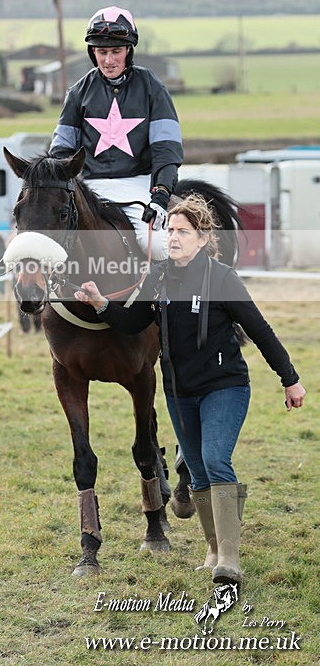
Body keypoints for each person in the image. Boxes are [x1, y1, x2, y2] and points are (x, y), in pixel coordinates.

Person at [75, 193, 305, 586]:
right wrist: (101, 305)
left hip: (224, 387)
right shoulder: (158, 277)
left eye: (183, 231)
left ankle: (229, 561)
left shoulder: (221, 277)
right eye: (169, 230)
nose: (174, 237)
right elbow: (133, 324)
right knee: (197, 473)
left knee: (216, 460)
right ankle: (214, 547)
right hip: (179, 392)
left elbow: (260, 330)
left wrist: (290, 378)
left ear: (202, 239)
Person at [49, 6, 183, 260]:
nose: (109, 60)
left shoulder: (153, 88)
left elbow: (166, 150)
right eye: (102, 52)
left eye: (115, 51)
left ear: (129, 51)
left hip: (139, 186)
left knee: (158, 247)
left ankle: (166, 300)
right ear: (92, 53)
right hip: (88, 188)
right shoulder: (78, 92)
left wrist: (162, 195)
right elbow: (61, 152)